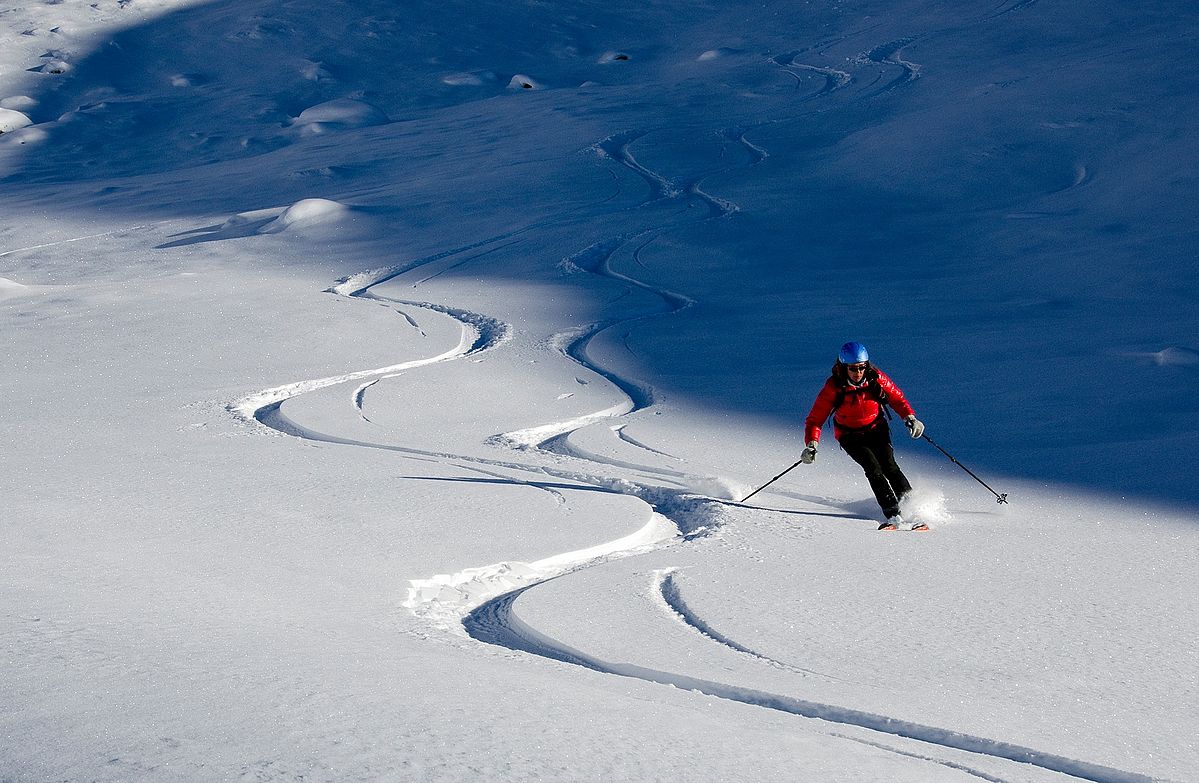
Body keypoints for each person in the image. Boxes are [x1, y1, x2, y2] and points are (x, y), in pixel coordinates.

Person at [801, 341, 926, 530]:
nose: (858, 372)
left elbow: (896, 398)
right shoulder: (834, 387)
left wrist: (909, 417)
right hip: (850, 435)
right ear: (844, 367)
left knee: (890, 466)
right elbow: (815, 419)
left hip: (877, 428)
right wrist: (812, 444)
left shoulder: (876, 379)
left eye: (861, 367)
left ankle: (914, 510)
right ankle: (893, 515)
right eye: (853, 368)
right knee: (873, 468)